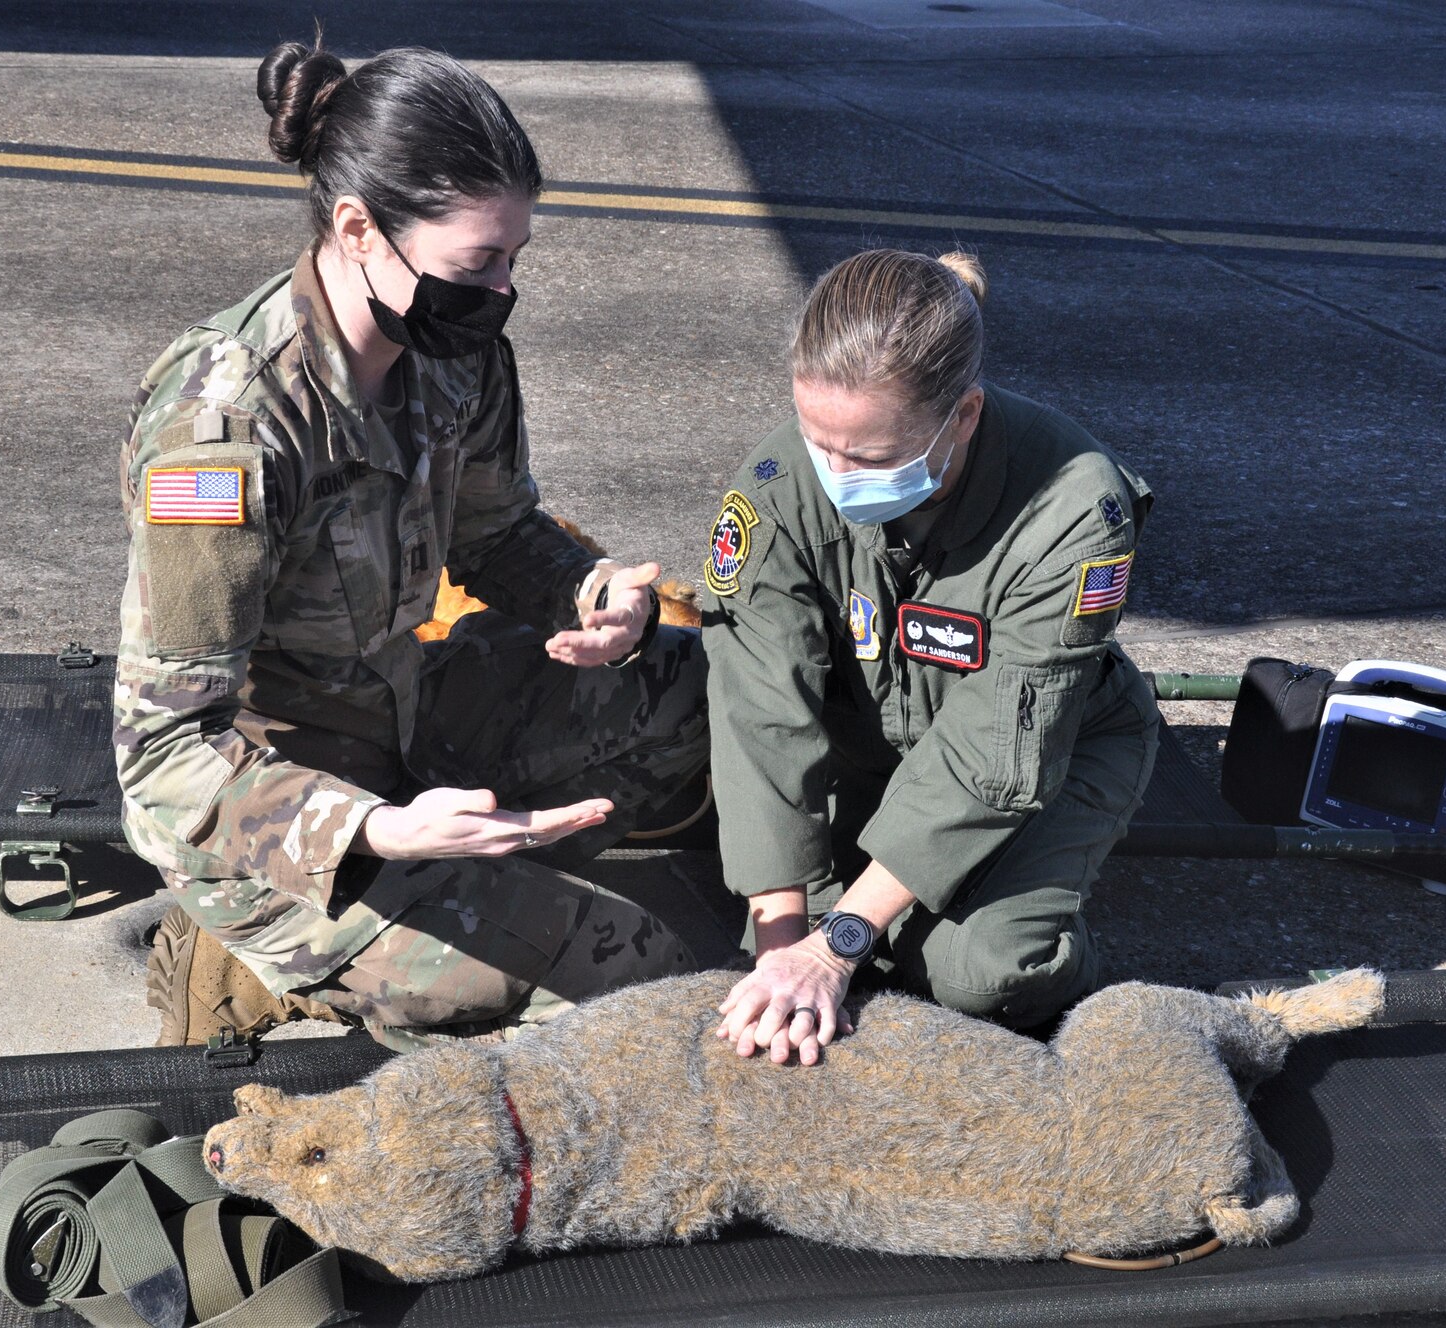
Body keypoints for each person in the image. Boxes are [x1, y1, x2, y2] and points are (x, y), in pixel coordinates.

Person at [116, 39, 707, 1051]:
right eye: (477, 262)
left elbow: (497, 533)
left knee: (692, 684)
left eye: (514, 257)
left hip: (403, 711)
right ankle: (256, 961)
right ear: (359, 228)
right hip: (276, 815)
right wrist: (373, 832)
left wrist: (593, 597)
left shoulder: (452, 354)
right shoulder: (226, 433)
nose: (503, 289)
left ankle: (465, 909)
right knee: (637, 973)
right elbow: (164, 760)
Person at [704, 249, 1159, 1066]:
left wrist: (834, 946)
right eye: (820, 444)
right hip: (869, 746)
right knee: (782, 932)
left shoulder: (1076, 509)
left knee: (983, 976)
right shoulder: (778, 480)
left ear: (966, 415)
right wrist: (782, 945)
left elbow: (1000, 749)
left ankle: (1078, 944)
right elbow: (759, 709)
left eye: (873, 458)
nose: (839, 476)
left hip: (1042, 752)